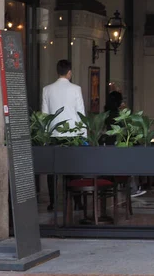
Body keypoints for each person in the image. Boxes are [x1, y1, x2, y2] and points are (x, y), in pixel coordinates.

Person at [41, 60, 86, 211]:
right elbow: (80, 113)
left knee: (52, 170)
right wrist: (84, 135)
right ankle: (77, 202)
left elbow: (45, 115)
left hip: (54, 134)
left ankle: (53, 203)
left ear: (57, 72)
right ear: (69, 72)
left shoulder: (47, 89)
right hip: (73, 134)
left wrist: (45, 136)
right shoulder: (76, 89)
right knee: (74, 169)